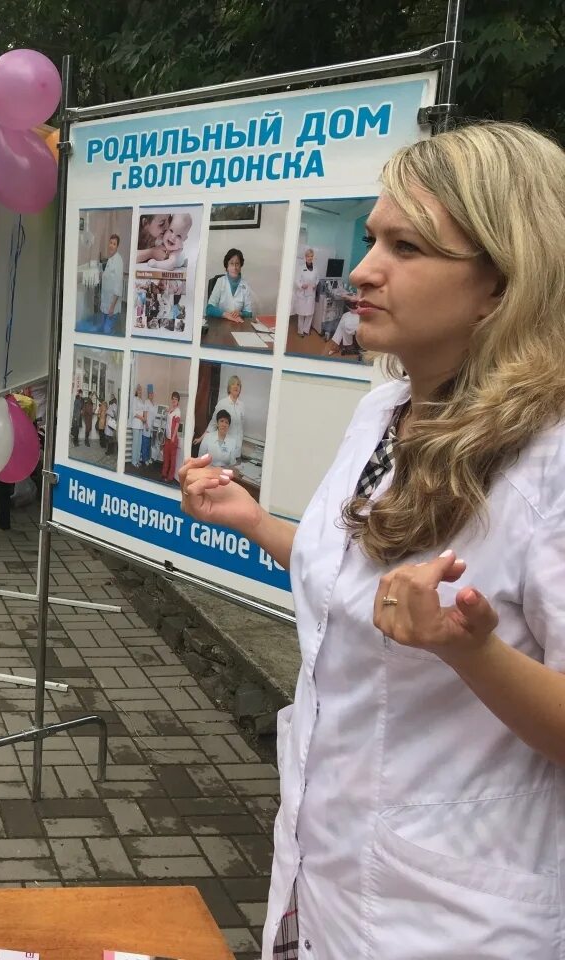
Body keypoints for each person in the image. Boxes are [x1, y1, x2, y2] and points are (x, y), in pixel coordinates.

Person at [179, 122, 565, 958]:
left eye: (407, 246)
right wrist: (254, 521)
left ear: (500, 284)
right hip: (320, 876)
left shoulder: (551, 457)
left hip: (452, 920)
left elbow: (437, 631)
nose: (361, 269)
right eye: (370, 239)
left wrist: (472, 653)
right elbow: (360, 589)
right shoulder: (384, 414)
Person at [196, 374, 244, 452]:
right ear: (229, 388)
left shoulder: (242, 405)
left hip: (237, 447)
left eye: (238, 385)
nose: (236, 386)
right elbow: (213, 424)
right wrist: (202, 438)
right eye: (233, 384)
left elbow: (240, 428)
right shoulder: (222, 403)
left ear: (240, 388)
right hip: (225, 446)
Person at [206, 248, 255, 323]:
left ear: (241, 266)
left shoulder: (245, 285)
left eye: (237, 264)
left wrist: (240, 313)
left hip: (238, 324)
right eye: (231, 263)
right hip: (220, 323)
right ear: (227, 266)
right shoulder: (220, 281)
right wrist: (225, 314)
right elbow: (209, 309)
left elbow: (249, 313)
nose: (234, 267)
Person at [99, 233, 124, 333]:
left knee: (107, 330)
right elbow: (108, 277)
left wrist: (112, 306)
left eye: (114, 244)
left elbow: (118, 286)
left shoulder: (118, 261)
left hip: (111, 304)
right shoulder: (110, 259)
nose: (111, 245)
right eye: (110, 243)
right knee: (104, 328)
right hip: (106, 301)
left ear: (117, 246)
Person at [293, 247, 318, 336]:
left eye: (311, 256)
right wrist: (301, 285)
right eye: (308, 256)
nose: (310, 258)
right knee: (301, 314)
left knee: (310, 314)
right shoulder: (301, 268)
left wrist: (315, 284)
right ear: (305, 257)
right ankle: (300, 331)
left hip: (311, 293)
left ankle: (306, 330)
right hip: (303, 294)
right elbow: (296, 280)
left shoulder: (315, 268)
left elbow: (317, 279)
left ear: (313, 257)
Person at [161, 390, 183, 482]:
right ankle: (164, 474)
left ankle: (170, 477)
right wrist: (167, 410)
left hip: (173, 439)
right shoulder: (171, 410)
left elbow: (177, 424)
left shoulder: (178, 411)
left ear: (178, 401)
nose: (174, 400)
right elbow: (168, 416)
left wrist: (173, 437)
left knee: (172, 459)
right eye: (173, 398)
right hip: (167, 437)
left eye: (176, 399)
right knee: (166, 456)